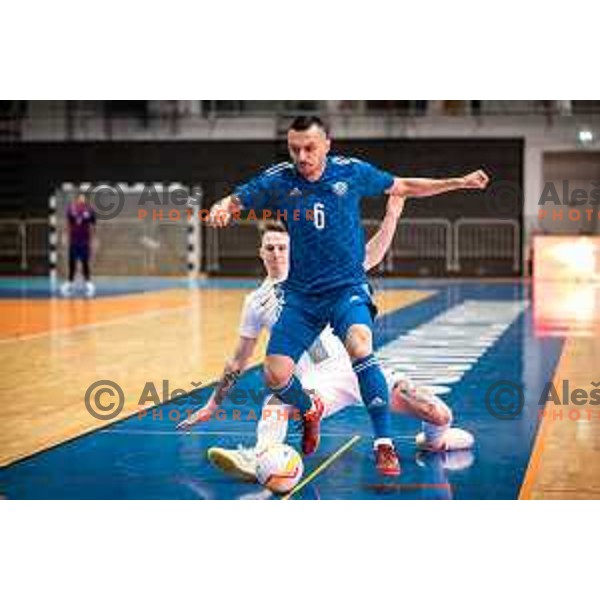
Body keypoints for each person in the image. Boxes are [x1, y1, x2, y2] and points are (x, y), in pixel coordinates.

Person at [208, 115, 489, 475]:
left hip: (346, 289)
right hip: (303, 298)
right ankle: (308, 410)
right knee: (275, 376)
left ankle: (383, 444)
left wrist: (459, 182)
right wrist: (221, 207)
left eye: (310, 148)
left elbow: (403, 185)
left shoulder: (351, 172)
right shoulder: (279, 179)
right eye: (295, 149)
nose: (302, 156)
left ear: (327, 144)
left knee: (361, 345)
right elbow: (236, 199)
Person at [178, 209, 474, 482]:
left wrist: (392, 215)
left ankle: (433, 442)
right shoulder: (256, 302)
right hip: (320, 384)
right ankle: (259, 457)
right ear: (261, 253)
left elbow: (370, 255)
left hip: (360, 370)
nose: (277, 254)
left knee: (440, 415)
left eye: (283, 247)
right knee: (276, 402)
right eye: (270, 248)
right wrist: (213, 403)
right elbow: (238, 360)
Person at [61, 193, 96, 298]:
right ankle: (69, 283)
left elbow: (93, 225)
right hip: (74, 241)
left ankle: (88, 283)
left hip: (84, 241)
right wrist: (64, 235)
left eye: (83, 198)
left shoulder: (89, 210)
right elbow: (68, 223)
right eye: (80, 197)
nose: (81, 199)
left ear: (85, 199)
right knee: (72, 262)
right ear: (77, 199)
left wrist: (94, 239)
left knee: (85, 262)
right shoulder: (71, 209)